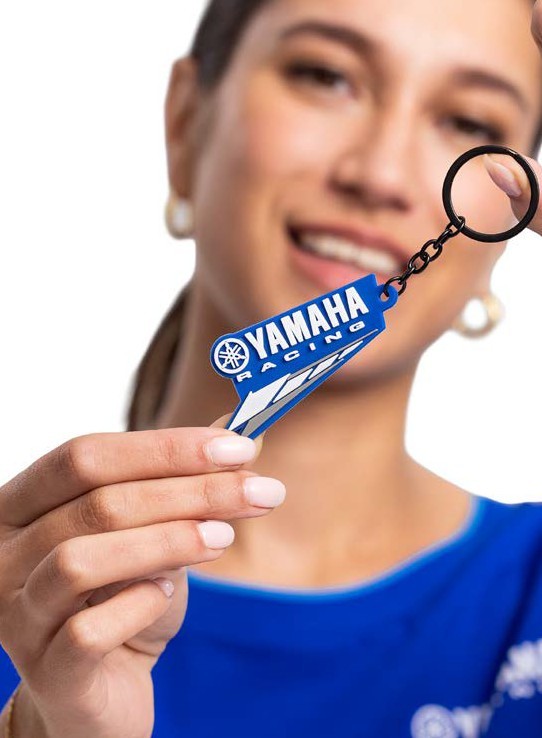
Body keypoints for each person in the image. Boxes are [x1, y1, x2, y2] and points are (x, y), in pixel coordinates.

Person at [2, 0, 542, 736]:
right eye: (326, 75)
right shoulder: (17, 596)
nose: (380, 174)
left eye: (470, 122)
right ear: (185, 121)